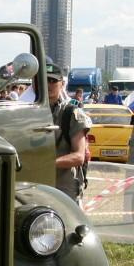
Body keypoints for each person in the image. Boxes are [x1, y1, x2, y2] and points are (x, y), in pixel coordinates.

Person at [46, 66, 90, 202]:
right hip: (38, 185)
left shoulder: (71, 113)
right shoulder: (29, 113)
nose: (48, 84)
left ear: (62, 84)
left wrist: (45, 164)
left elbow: (78, 157)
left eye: (53, 81)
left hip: (64, 188)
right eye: (45, 80)